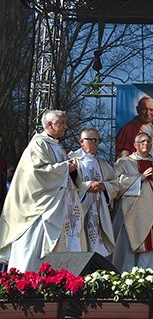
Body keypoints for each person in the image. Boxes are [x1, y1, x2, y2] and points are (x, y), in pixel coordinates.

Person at [0, 110, 86, 271]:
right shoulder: (38, 144)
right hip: (39, 207)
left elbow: (60, 173)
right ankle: (26, 280)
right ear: (49, 125)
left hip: (56, 204)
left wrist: (72, 170)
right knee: (33, 245)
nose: (66, 127)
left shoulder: (57, 147)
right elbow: (37, 173)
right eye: (62, 123)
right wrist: (65, 167)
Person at [112, 132, 153, 272]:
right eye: (142, 141)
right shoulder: (123, 163)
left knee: (152, 245)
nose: (145, 144)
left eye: (148, 141)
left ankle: (150, 280)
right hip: (129, 214)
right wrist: (139, 178)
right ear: (135, 145)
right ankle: (125, 279)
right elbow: (115, 183)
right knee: (127, 247)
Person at [68, 128, 119, 257]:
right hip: (78, 210)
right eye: (92, 140)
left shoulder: (103, 165)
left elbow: (116, 185)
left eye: (98, 140)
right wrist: (87, 187)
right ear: (81, 142)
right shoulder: (72, 161)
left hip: (97, 211)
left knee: (95, 246)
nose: (96, 143)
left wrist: (104, 186)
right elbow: (67, 185)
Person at [115, 96, 153, 167]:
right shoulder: (129, 129)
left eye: (151, 110)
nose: (148, 113)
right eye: (144, 109)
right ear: (138, 109)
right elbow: (122, 159)